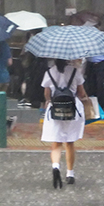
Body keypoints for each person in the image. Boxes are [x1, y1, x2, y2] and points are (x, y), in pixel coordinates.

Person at [41, 58, 87, 188]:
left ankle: (56, 166)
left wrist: (48, 100)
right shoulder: (75, 71)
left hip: (55, 109)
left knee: (56, 143)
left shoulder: (49, 72)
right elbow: (81, 92)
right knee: (69, 142)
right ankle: (70, 174)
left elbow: (46, 93)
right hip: (72, 109)